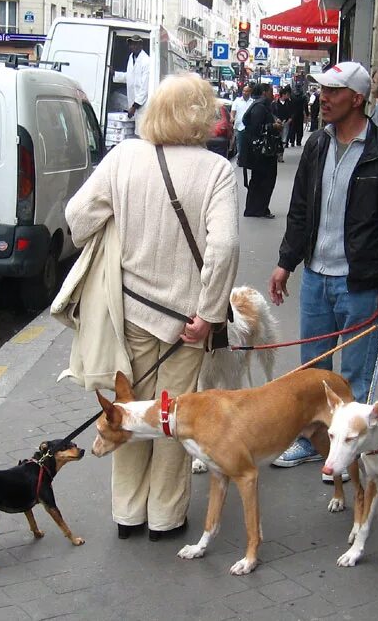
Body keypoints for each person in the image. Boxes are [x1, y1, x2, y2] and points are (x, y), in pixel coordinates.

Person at [65, 74, 240, 541]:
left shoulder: (123, 157)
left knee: (129, 409)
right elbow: (223, 247)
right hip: (187, 323)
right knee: (172, 417)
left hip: (131, 314)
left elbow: (78, 217)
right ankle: (165, 516)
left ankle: (127, 513)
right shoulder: (216, 171)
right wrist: (208, 314)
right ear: (202, 116)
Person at [268, 62, 378, 468]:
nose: (324, 98)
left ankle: (353, 452)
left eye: (333, 91)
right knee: (313, 372)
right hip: (316, 277)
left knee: (354, 377)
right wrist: (285, 263)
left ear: (357, 98)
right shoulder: (317, 144)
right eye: (323, 90)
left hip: (360, 284)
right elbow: (299, 210)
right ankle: (312, 443)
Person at [240, 82, 280, 218]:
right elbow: (256, 128)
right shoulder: (260, 106)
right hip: (262, 153)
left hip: (260, 151)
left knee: (260, 180)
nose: (272, 93)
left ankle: (257, 208)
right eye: (270, 91)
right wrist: (273, 126)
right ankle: (257, 209)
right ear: (264, 92)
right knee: (264, 180)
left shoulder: (260, 105)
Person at [113, 35, 150, 133]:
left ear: (140, 44)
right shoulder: (131, 57)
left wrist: (134, 107)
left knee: (141, 133)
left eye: (135, 44)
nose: (133, 46)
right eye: (131, 44)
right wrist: (114, 74)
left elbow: (144, 88)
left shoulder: (146, 61)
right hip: (133, 104)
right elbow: (130, 77)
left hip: (141, 106)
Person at [230, 84, 253, 163]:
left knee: (248, 143)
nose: (245, 93)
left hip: (249, 127)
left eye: (247, 91)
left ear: (250, 92)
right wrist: (232, 117)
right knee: (239, 144)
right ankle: (240, 158)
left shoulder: (252, 102)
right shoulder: (237, 101)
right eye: (244, 91)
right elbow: (233, 112)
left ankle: (247, 159)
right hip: (239, 126)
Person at [272, 87, 292, 162]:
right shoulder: (275, 103)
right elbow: (272, 113)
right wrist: (276, 119)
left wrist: (290, 119)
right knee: (276, 138)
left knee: (284, 139)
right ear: (283, 95)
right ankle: (275, 153)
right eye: (287, 94)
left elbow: (291, 112)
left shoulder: (289, 103)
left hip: (286, 123)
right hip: (277, 123)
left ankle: (281, 155)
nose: (288, 96)